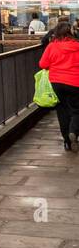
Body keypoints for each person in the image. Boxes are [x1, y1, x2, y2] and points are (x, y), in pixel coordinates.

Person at [39, 18, 79, 152]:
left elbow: (43, 64)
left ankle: (67, 141)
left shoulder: (52, 46)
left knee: (62, 111)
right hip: (75, 82)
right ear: (71, 32)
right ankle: (73, 131)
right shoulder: (77, 46)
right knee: (76, 110)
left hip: (56, 82)